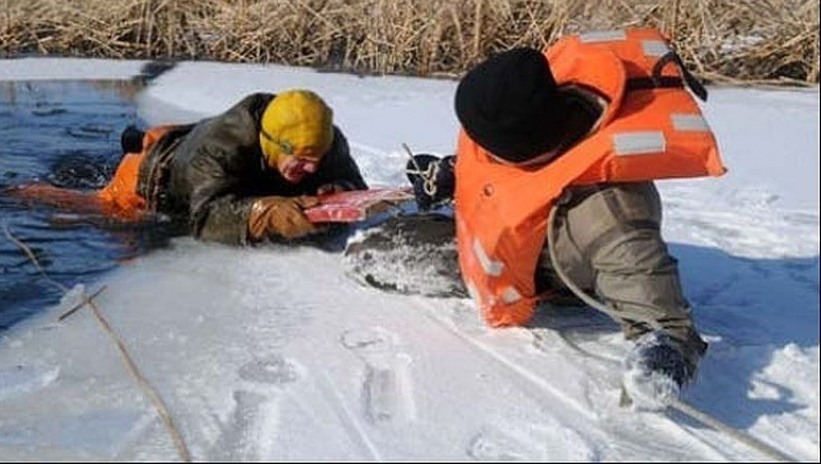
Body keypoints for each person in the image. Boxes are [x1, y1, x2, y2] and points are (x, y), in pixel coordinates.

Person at [408, 27, 726, 409]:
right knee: (385, 239)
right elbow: (508, 177)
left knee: (375, 255)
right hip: (501, 238)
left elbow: (668, 326)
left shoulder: (612, 215)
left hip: (542, 275)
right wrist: (452, 174)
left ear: (518, 146)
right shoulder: (541, 117)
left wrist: (661, 363)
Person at [70, 89, 367, 244]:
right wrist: (267, 215)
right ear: (276, 144)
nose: (313, 170)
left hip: (190, 142)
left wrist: (338, 190)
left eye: (318, 160)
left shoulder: (323, 138)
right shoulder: (219, 149)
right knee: (95, 208)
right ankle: (28, 193)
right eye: (302, 161)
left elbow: (353, 183)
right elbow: (205, 219)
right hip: (147, 172)